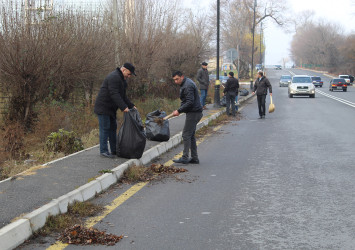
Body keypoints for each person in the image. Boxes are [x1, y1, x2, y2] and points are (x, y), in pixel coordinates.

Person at [94, 63, 137, 158]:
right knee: (105, 129)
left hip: (111, 109)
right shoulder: (114, 77)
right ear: (124, 70)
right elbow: (114, 94)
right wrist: (123, 107)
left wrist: (131, 106)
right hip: (103, 107)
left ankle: (114, 150)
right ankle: (104, 151)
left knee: (113, 128)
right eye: (129, 74)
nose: (129, 76)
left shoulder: (122, 80)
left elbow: (123, 96)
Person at [172, 71, 203, 164]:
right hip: (195, 112)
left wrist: (179, 110)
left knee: (186, 134)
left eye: (177, 79)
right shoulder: (186, 83)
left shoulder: (188, 85)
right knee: (191, 135)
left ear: (182, 76)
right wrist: (180, 109)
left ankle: (185, 157)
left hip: (194, 113)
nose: (176, 81)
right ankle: (194, 158)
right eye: (174, 80)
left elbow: (190, 102)